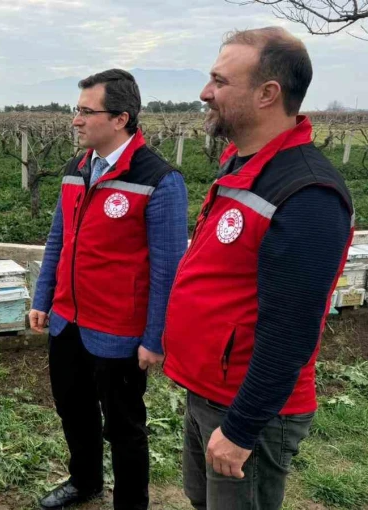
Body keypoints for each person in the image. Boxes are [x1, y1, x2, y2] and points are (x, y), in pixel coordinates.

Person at [162, 27, 354, 510]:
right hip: (209, 391)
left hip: (248, 410)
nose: (206, 92)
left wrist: (242, 427)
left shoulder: (307, 194)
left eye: (219, 81)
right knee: (202, 500)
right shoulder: (242, 165)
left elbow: (291, 330)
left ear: (268, 94)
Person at [30, 69, 188, 510]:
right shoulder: (74, 169)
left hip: (119, 333)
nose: (75, 120)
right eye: (75, 111)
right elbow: (57, 241)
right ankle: (85, 481)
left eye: (85, 111)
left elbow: (167, 271)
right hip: (68, 322)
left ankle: (131, 503)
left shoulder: (159, 180)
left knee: (124, 427)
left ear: (120, 118)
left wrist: (155, 339)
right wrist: (44, 299)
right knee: (73, 411)